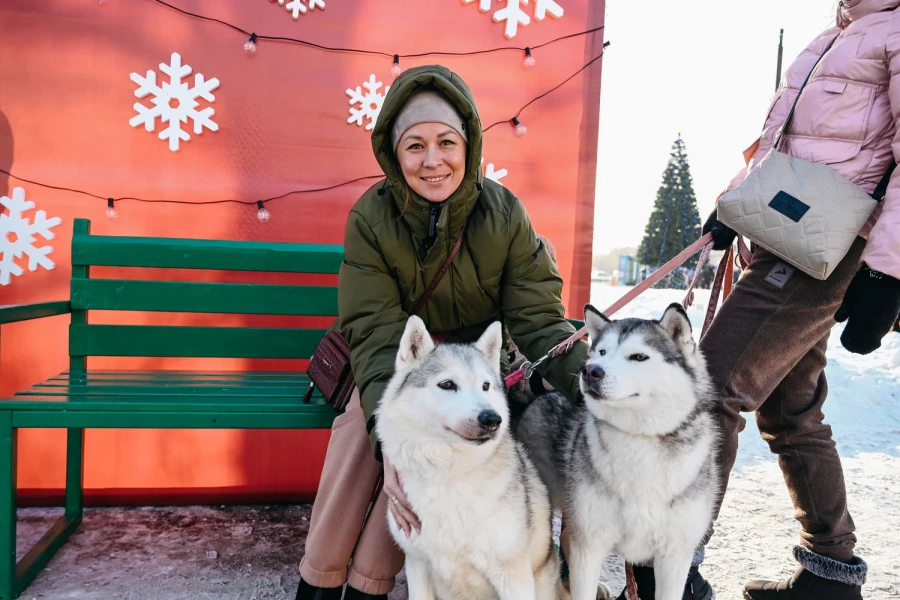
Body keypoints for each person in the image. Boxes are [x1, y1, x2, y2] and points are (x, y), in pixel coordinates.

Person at [623, 2, 900, 599]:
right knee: (790, 410)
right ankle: (831, 575)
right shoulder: (841, 32)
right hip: (791, 230)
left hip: (827, 243)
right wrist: (734, 202)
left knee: (709, 387)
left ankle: (673, 568)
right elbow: (783, 143)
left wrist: (887, 273)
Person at [295, 64, 590, 600]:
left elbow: (540, 319)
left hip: (478, 376)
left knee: (435, 436)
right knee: (377, 419)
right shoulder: (372, 218)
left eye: (446, 142)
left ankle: (367, 586)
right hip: (402, 369)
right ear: (393, 152)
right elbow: (377, 331)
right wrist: (392, 447)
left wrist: (594, 387)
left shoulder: (502, 214)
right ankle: (318, 579)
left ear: (469, 143)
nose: (433, 161)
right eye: (415, 146)